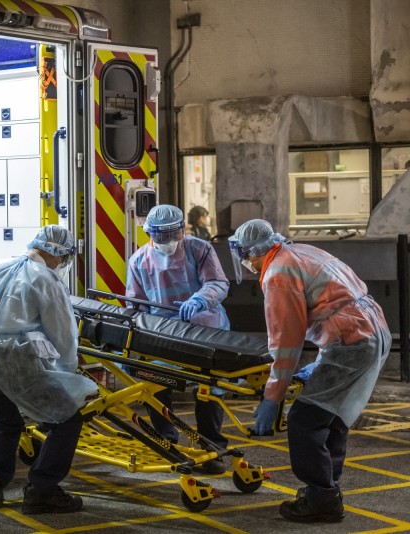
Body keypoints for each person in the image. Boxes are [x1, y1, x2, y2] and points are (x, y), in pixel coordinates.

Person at [229, 219, 391, 523]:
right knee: (332, 414)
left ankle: (322, 499)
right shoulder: (300, 252)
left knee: (305, 419)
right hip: (371, 332)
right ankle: (326, 489)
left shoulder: (278, 273)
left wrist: (272, 398)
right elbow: (334, 304)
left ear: (253, 252)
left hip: (351, 342)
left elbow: (285, 342)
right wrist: (317, 365)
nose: (244, 262)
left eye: (244, 255)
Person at [0, 225, 97, 514]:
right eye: (64, 258)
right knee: (66, 419)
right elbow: (62, 332)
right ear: (57, 253)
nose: (63, 264)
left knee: (5, 419)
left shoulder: (0, 266)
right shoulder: (46, 279)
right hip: (17, 362)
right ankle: (42, 490)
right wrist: (67, 370)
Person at [125, 204, 231, 474]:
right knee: (155, 385)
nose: (168, 243)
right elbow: (136, 305)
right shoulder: (139, 260)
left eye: (173, 235)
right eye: (161, 237)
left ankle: (211, 448)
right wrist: (132, 344)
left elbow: (218, 283)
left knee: (207, 389)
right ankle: (166, 443)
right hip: (162, 331)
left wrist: (199, 300)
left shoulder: (200, 249)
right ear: (149, 233)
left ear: (182, 230)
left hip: (203, 327)